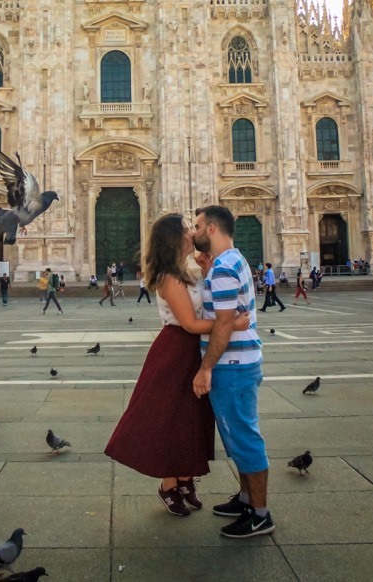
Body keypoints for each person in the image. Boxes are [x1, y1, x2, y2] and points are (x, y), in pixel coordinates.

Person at [105, 213, 250, 517]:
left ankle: (185, 478)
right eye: (188, 229)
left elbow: (206, 302)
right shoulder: (169, 278)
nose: (193, 233)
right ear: (175, 238)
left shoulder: (187, 272)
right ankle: (168, 483)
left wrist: (208, 271)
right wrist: (232, 324)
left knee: (191, 417)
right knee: (172, 418)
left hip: (192, 351)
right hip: (176, 350)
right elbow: (190, 323)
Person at [193, 205, 275, 539]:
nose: (193, 230)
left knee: (244, 438)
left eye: (197, 225)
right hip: (240, 363)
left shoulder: (224, 267)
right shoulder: (231, 261)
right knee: (239, 436)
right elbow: (225, 309)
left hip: (233, 365)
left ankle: (259, 514)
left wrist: (206, 367)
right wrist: (207, 271)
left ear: (211, 229)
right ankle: (245, 499)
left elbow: (224, 324)